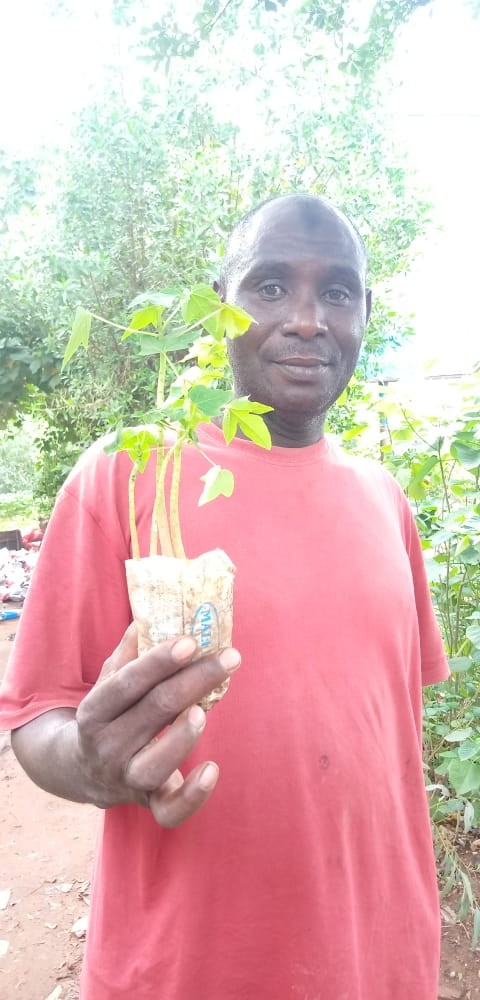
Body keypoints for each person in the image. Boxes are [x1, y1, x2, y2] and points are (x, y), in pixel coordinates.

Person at [0, 194, 449, 999]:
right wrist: (98, 765)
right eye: (270, 286)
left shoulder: (387, 501)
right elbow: (36, 717)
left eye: (337, 291)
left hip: (382, 960)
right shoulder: (129, 471)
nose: (307, 319)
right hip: (189, 972)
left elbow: (382, 742)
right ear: (220, 308)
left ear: (365, 313)